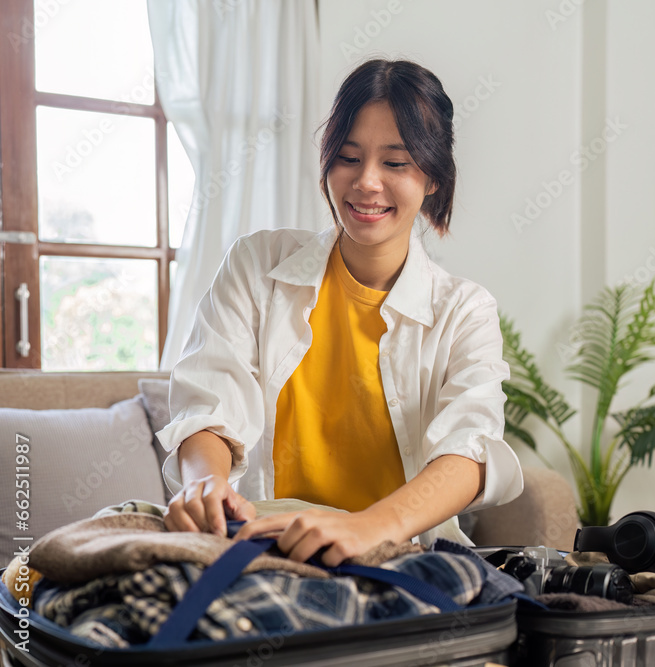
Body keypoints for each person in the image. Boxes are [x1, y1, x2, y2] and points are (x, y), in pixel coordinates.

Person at [156, 59, 523, 566]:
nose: (366, 182)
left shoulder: (464, 311)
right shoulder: (256, 265)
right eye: (348, 158)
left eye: (395, 163)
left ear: (434, 176)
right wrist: (206, 487)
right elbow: (208, 406)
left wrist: (365, 529)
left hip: (399, 560)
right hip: (264, 554)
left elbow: (471, 448)